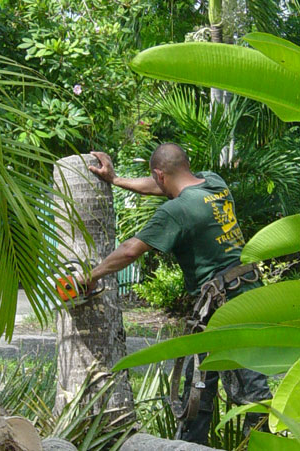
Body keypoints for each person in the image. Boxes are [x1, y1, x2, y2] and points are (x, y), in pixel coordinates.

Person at [81, 143, 271, 445]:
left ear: (160, 174)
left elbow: (131, 250)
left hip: (226, 307)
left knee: (249, 394)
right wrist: (116, 180)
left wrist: (90, 276)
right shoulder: (213, 183)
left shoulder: (176, 211)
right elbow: (158, 187)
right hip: (246, 293)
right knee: (200, 388)